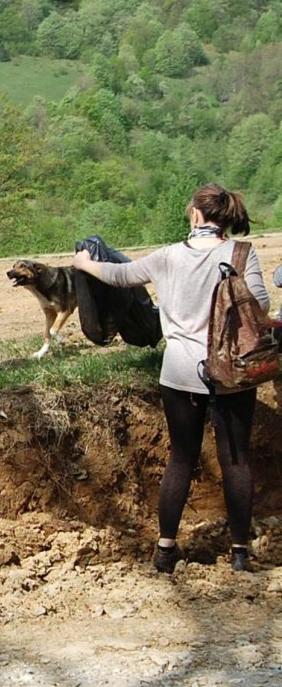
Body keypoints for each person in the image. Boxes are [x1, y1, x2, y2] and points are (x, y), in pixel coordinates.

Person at [72, 184, 269, 573]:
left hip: (180, 371)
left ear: (195, 214)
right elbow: (260, 305)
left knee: (181, 458)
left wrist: (84, 264)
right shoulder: (242, 254)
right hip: (231, 371)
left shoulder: (168, 256)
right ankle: (240, 554)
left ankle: (165, 551)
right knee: (236, 460)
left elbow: (121, 275)